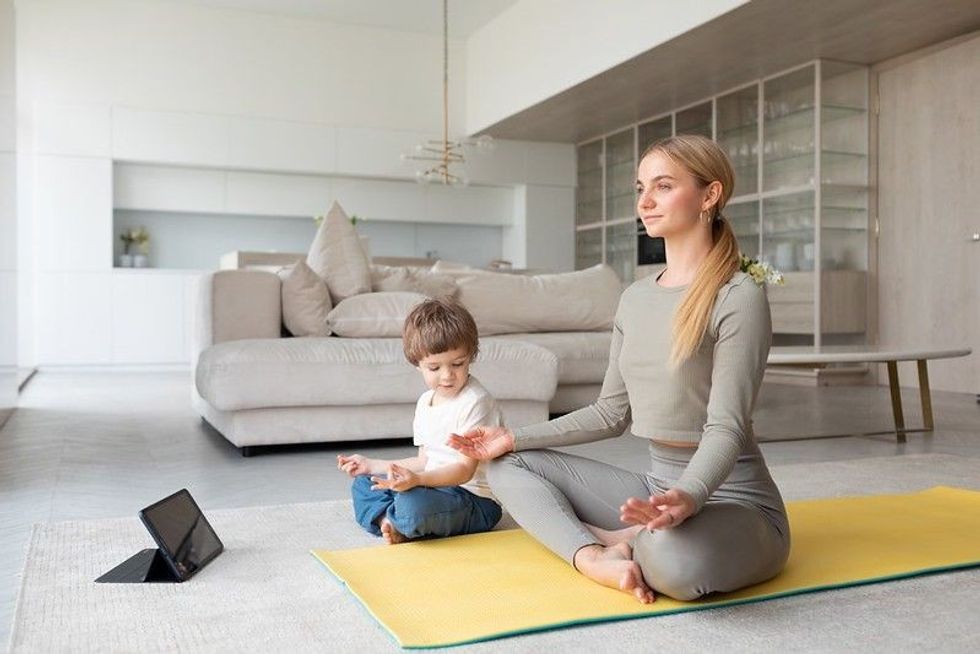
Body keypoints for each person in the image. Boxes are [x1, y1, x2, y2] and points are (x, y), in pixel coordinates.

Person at [448, 134, 790, 603]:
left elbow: (727, 428)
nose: (645, 202)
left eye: (664, 186)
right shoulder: (635, 298)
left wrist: (689, 497)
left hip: (736, 500)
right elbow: (611, 413)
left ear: (709, 195)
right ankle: (593, 554)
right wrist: (514, 437)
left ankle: (627, 540)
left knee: (678, 569)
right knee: (507, 464)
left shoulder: (739, 296)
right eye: (640, 188)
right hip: (656, 486)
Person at [337, 298, 503, 545]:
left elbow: (464, 470)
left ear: (471, 356)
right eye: (434, 368)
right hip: (432, 487)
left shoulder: (476, 401)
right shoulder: (425, 402)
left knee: (412, 503)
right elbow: (424, 461)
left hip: (473, 499)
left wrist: (416, 482)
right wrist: (372, 465)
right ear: (418, 365)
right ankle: (389, 522)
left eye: (458, 364)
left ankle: (399, 520)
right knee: (365, 484)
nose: (447, 375)